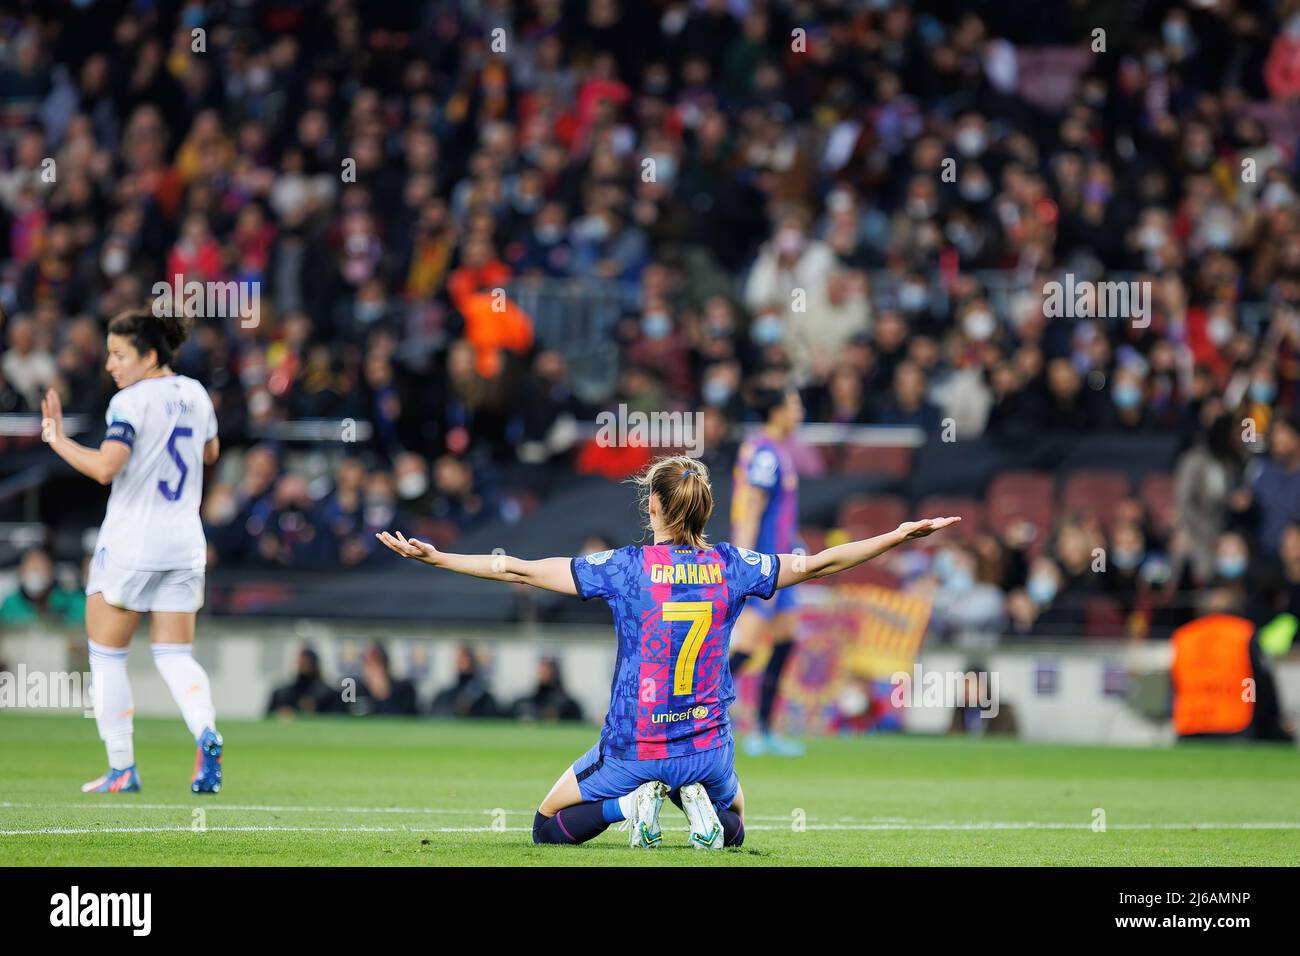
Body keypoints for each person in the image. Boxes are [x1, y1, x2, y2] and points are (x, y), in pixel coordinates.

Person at [376, 455, 958, 849]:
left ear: (652, 506)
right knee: (735, 830)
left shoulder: (625, 569)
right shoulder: (733, 566)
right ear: (703, 510)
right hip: (707, 742)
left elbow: (520, 570)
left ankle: (627, 810)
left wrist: (440, 558)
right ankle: (698, 806)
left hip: (638, 744)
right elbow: (817, 563)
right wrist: (895, 536)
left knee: (545, 826)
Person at [40, 306, 223, 795]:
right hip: (185, 543)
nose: (110, 366)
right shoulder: (197, 393)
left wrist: (57, 439)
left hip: (132, 542)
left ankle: (122, 767)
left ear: (147, 355)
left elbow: (106, 468)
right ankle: (206, 730)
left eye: (119, 354)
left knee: (106, 656)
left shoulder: (131, 402)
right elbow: (210, 454)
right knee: (174, 653)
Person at [728, 386, 806, 756]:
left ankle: (763, 729)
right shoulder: (763, 453)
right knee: (745, 645)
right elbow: (752, 507)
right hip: (764, 565)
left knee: (786, 639)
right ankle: (683, 714)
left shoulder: (777, 452)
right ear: (776, 412)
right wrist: (743, 563)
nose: (800, 412)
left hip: (783, 561)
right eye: (794, 405)